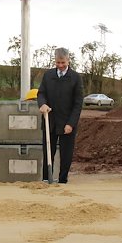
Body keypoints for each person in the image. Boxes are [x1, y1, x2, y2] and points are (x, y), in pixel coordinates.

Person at [37, 48, 84, 183]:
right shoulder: (48, 75)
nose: (60, 65)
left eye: (63, 62)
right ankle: (46, 179)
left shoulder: (75, 78)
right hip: (49, 121)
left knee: (66, 154)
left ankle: (63, 180)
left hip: (67, 122)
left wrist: (71, 123)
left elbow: (78, 103)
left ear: (68, 60)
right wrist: (42, 104)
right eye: (58, 62)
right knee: (48, 153)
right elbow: (41, 93)